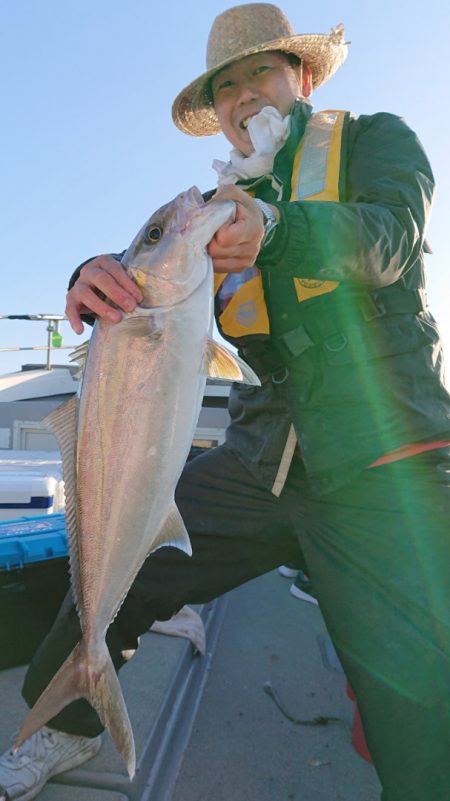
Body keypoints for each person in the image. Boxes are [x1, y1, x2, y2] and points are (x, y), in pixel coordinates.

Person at [1, 4, 450, 800]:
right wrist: (89, 272)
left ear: (301, 78)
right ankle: (68, 723)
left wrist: (277, 228)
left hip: (384, 464)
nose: (245, 97)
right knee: (120, 564)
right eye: (227, 87)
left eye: (259, 74)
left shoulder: (380, 139)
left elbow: (390, 236)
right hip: (261, 462)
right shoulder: (212, 205)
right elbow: (146, 278)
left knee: (421, 701)